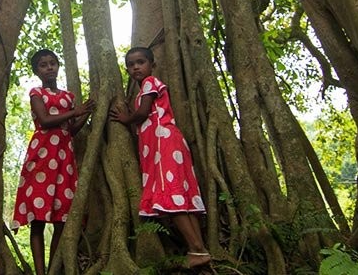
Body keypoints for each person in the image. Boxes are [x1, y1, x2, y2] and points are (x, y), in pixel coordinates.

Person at [109, 46, 212, 269]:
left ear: (152, 65)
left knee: (169, 195)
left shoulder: (150, 83)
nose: (135, 67)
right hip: (165, 145)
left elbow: (143, 113)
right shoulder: (143, 89)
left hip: (162, 143)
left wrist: (126, 119)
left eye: (141, 62)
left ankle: (197, 249)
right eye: (131, 64)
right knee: (180, 198)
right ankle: (199, 248)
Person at [11, 49, 94, 275]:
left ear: (58, 66)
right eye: (43, 65)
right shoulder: (36, 92)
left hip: (64, 159)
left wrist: (85, 112)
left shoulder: (68, 97)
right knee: (38, 219)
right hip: (41, 158)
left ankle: (52, 269)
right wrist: (75, 112)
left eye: (52, 63)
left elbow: (71, 130)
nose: (49, 68)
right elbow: (46, 121)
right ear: (37, 71)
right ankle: (40, 273)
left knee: (61, 217)